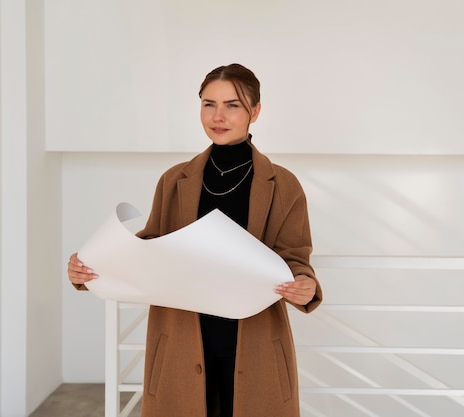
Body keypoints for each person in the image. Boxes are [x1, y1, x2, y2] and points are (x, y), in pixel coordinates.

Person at [68, 63, 323, 417]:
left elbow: (295, 256)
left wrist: (305, 284)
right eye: (208, 104)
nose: (218, 116)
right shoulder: (174, 180)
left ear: (256, 112)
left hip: (255, 342)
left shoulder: (283, 185)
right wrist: (90, 268)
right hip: (181, 340)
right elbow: (148, 250)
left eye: (232, 105)